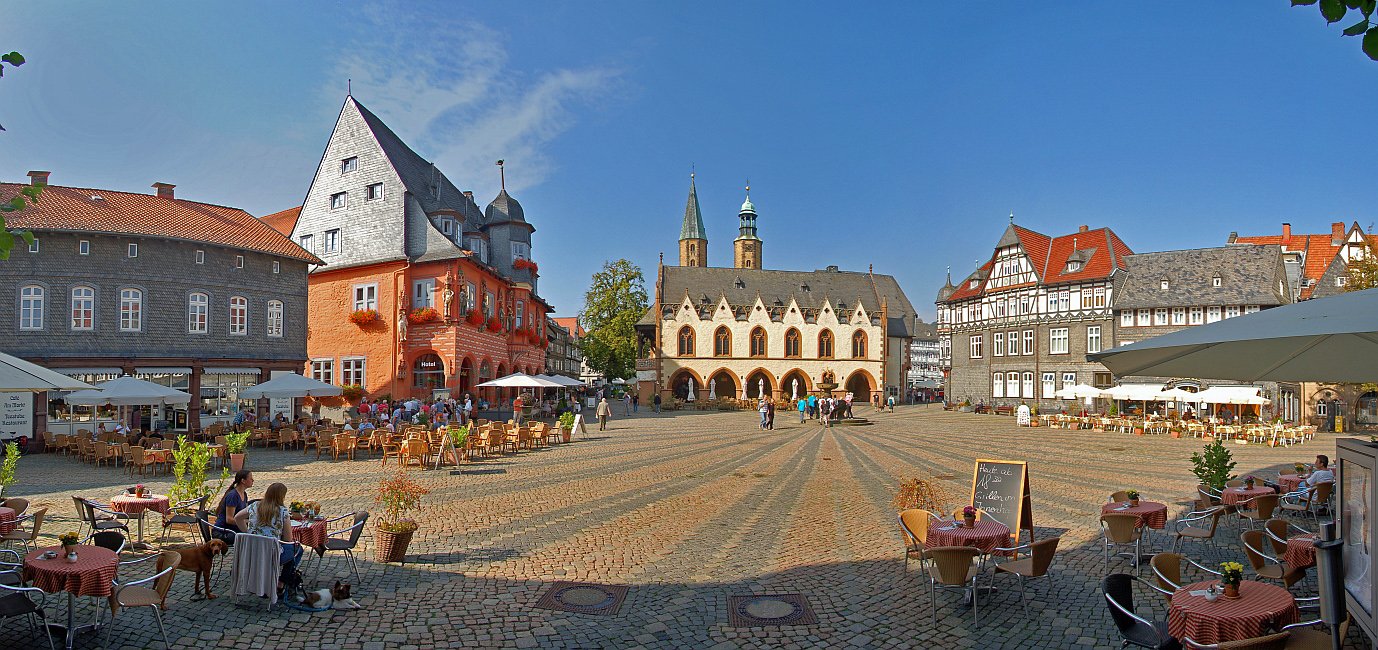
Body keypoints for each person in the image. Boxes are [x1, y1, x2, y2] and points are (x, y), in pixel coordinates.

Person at [233, 481, 303, 569]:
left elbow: (237, 518)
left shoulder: (255, 505)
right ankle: (282, 580)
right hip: (271, 553)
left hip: (252, 550)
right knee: (297, 549)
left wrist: (247, 532)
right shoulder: (282, 511)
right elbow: (288, 539)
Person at [214, 470, 253, 543]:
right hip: (223, 532)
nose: (253, 480)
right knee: (250, 538)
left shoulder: (244, 494)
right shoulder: (233, 496)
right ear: (243, 481)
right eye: (250, 478)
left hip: (234, 529)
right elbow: (229, 519)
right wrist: (248, 522)